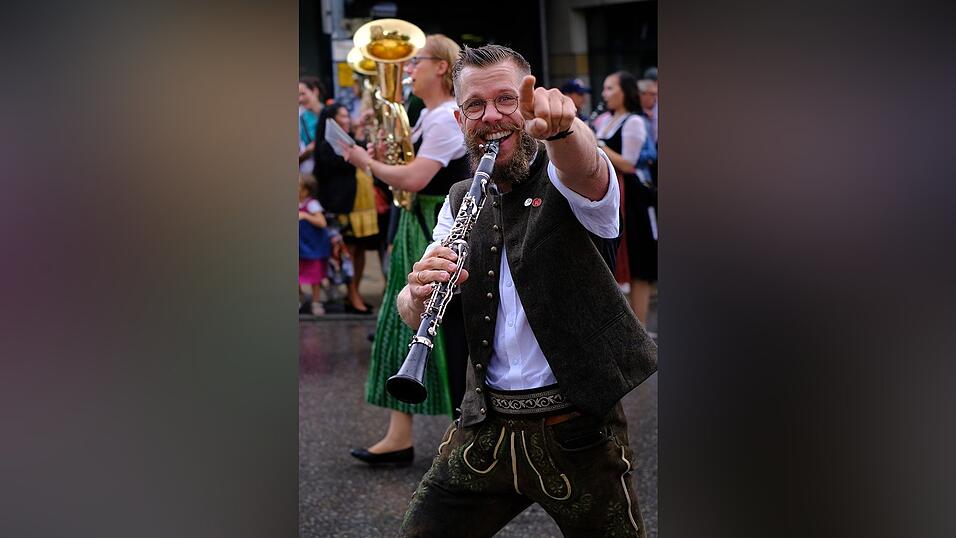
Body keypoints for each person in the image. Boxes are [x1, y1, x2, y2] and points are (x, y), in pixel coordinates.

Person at [394, 44, 657, 537]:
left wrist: (564, 128)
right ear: (460, 117)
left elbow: (584, 167)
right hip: (484, 425)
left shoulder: (567, 174)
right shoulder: (457, 201)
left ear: (531, 103)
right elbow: (412, 311)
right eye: (476, 106)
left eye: (507, 100)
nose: (491, 117)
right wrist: (416, 295)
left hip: (576, 429)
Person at [341, 34, 471, 466]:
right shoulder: (427, 115)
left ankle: (458, 432)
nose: (409, 69)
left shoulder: (442, 118)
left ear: (441, 67)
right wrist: (381, 159)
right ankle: (401, 434)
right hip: (417, 222)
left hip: (431, 223)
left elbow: (415, 179)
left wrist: (367, 163)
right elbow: (405, 172)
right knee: (404, 328)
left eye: (417, 61)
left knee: (434, 329)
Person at [594, 71, 657, 324]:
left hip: (632, 200)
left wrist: (599, 146)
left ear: (624, 92)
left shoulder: (633, 121)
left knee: (638, 265)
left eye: (610, 88)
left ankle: (640, 327)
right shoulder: (605, 119)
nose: (604, 94)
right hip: (614, 195)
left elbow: (629, 164)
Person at [314, 102, 379, 314]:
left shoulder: (346, 141)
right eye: (342, 116)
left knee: (359, 250)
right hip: (344, 206)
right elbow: (346, 163)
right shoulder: (327, 145)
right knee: (348, 252)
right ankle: (351, 295)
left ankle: (355, 293)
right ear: (331, 120)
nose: (347, 119)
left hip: (360, 205)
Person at [298, 173, 331, 316]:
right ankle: (300, 297)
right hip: (300, 246)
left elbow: (322, 222)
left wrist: (306, 216)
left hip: (312, 247)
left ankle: (316, 301)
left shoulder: (311, 204)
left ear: (306, 190)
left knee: (314, 273)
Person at [298, 77, 325, 174]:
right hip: (309, 172)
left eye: (303, 94)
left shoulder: (330, 112)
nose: (300, 99)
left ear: (315, 91)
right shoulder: (299, 118)